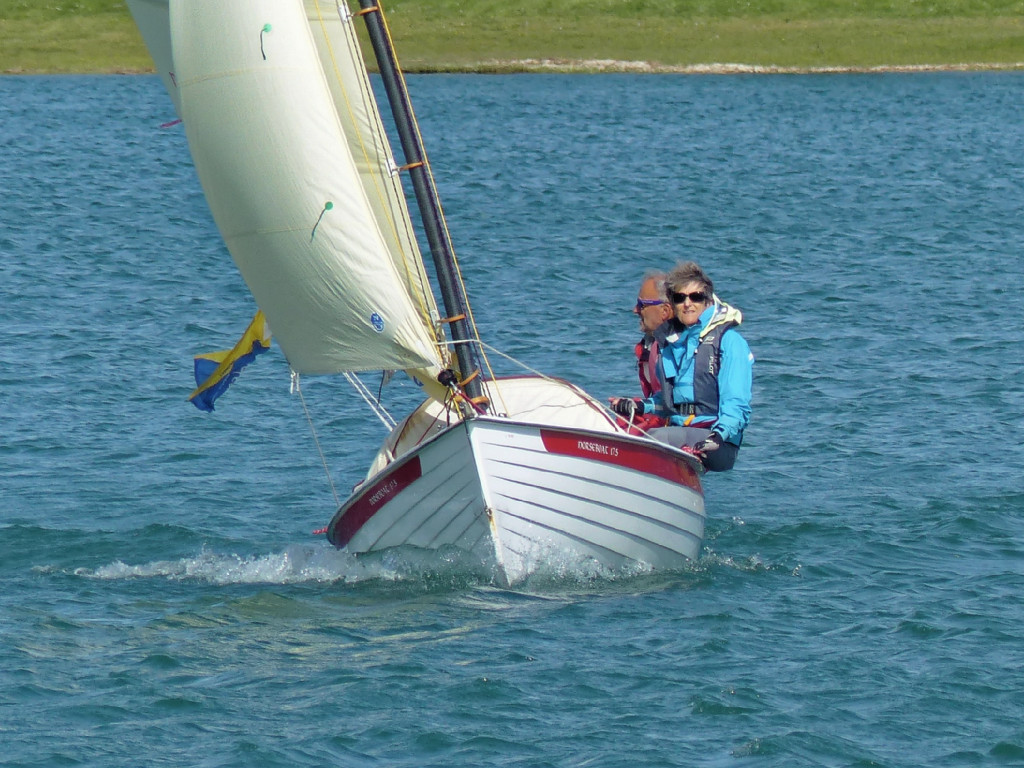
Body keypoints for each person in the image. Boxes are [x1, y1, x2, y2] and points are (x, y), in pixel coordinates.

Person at [643, 261, 753, 472]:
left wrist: (718, 435)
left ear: (708, 301)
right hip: (681, 431)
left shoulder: (730, 342)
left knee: (654, 438)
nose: (687, 303)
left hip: (718, 441)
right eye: (680, 298)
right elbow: (667, 403)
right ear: (672, 303)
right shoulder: (671, 344)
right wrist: (640, 406)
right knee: (643, 435)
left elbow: (737, 405)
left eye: (695, 297)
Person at [609, 272, 673, 431]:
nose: (635, 310)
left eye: (642, 305)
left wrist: (639, 408)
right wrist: (633, 405)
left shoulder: (677, 349)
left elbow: (673, 406)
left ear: (665, 311)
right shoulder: (650, 345)